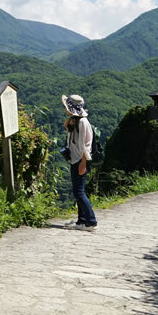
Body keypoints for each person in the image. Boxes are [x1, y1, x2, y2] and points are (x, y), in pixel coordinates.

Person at [62, 94, 97, 228]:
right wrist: (68, 126)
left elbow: (85, 145)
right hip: (75, 159)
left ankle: (91, 221)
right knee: (78, 191)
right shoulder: (76, 121)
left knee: (79, 192)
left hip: (80, 160)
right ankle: (81, 221)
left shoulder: (82, 123)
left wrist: (83, 162)